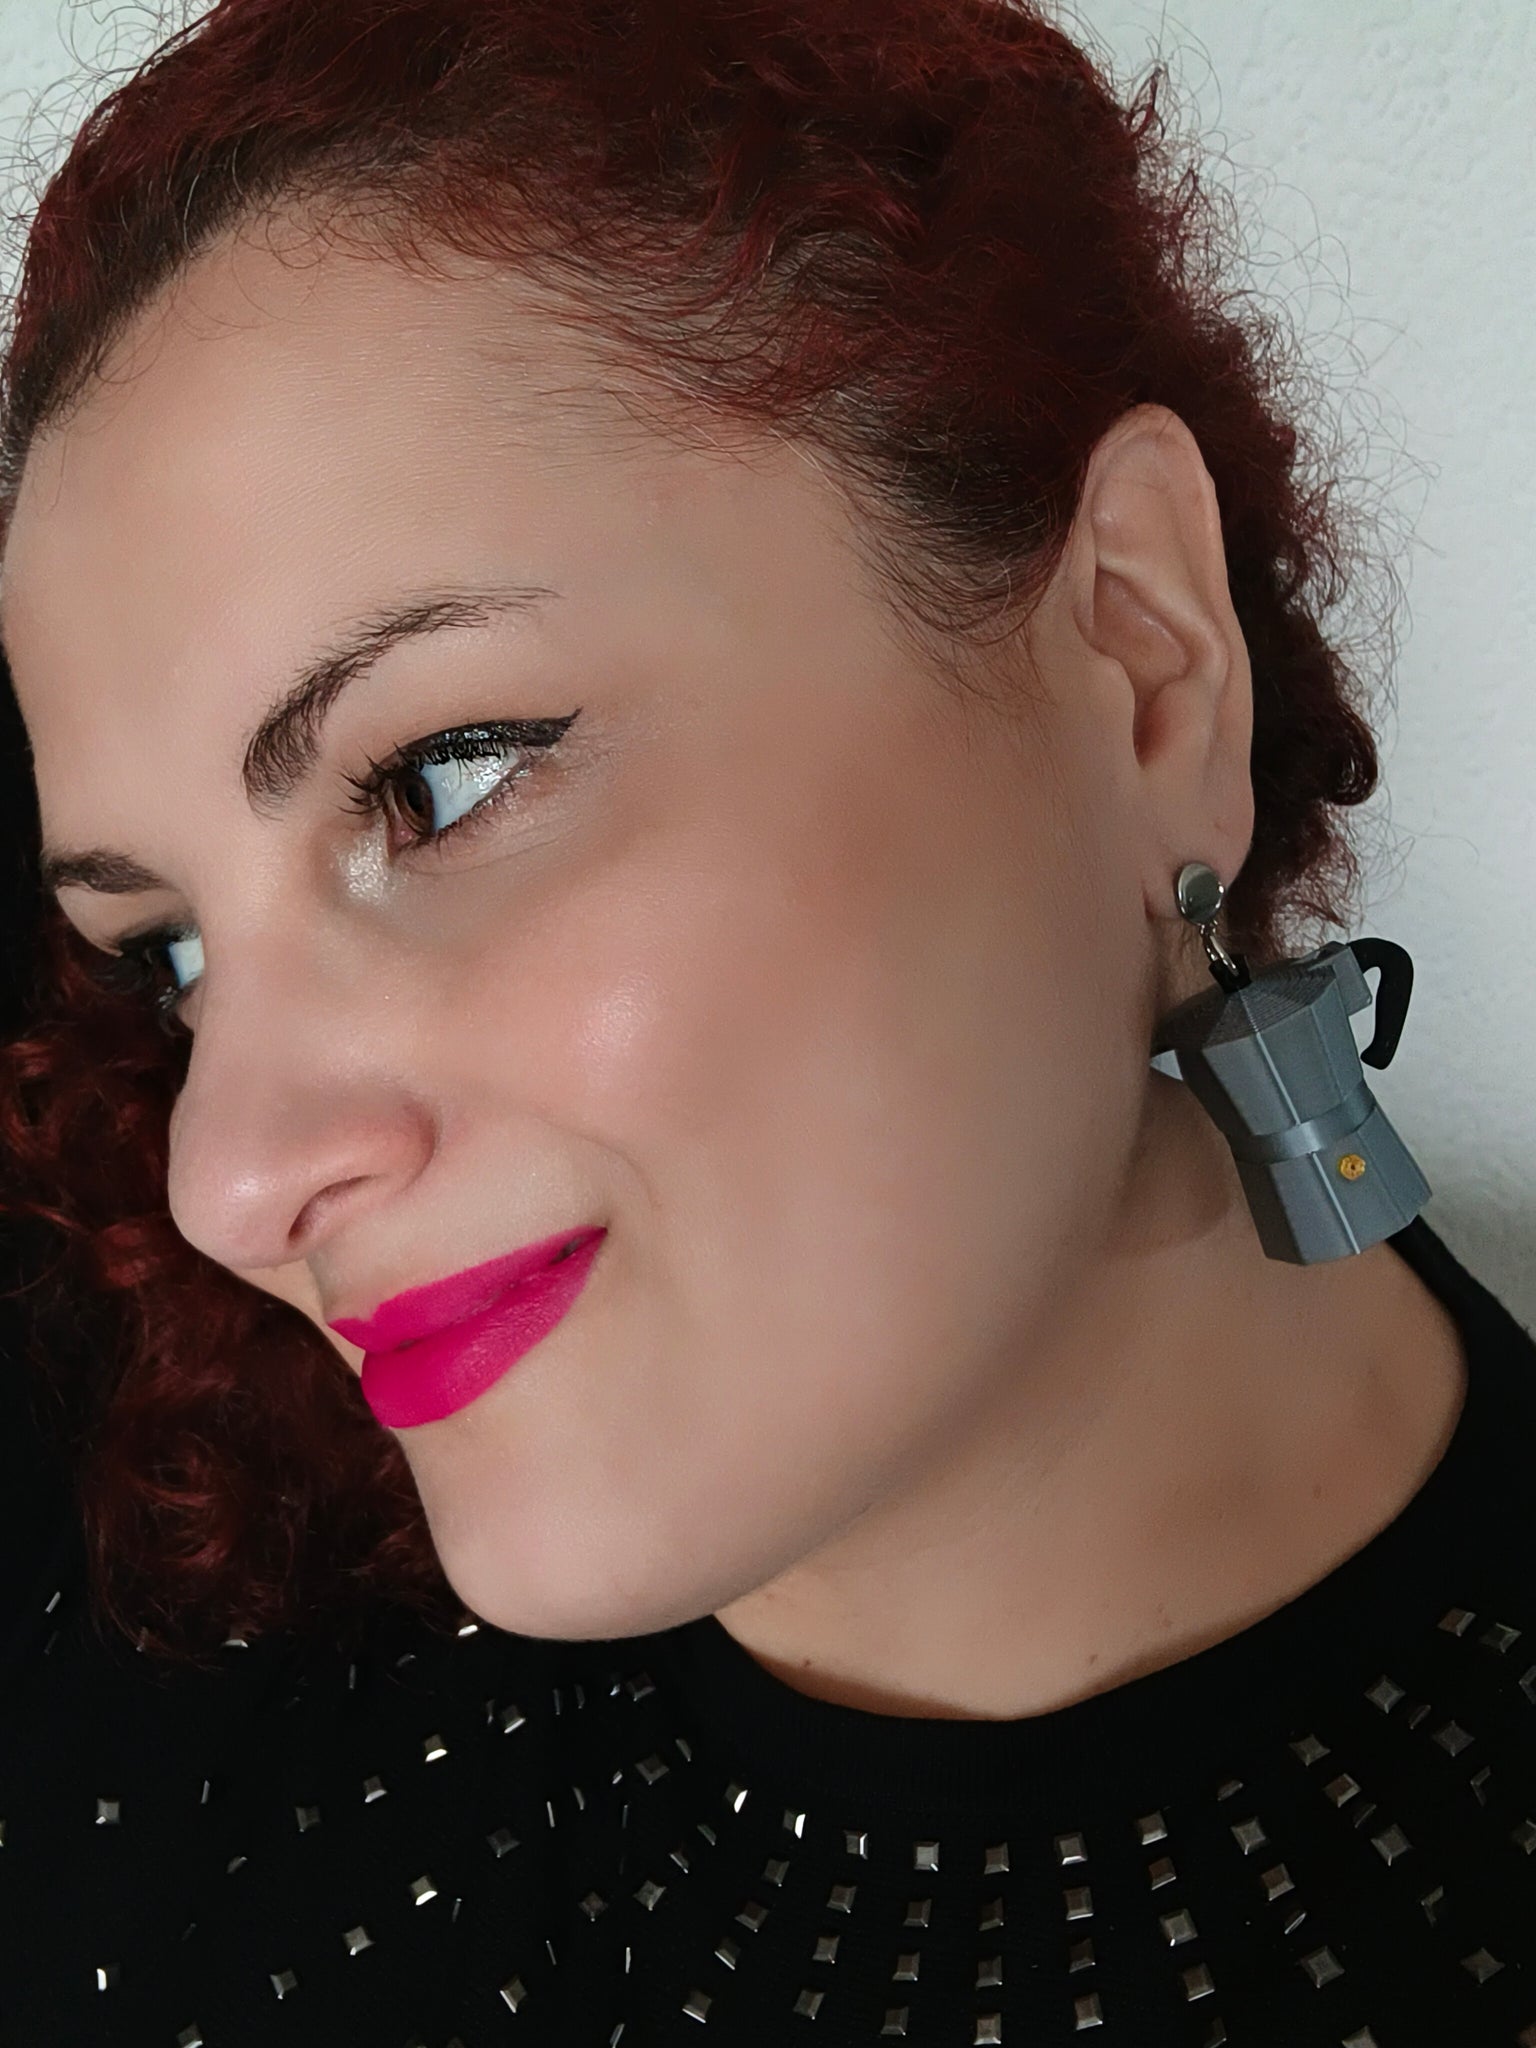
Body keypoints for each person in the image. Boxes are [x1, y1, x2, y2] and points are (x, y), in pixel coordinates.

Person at [0, 2, 1532, 2044]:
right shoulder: (150, 1568)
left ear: (1144, 658)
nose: (230, 1176)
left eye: (443, 778)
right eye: (169, 956)